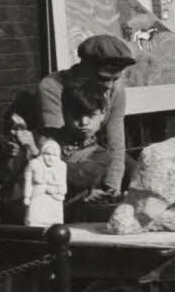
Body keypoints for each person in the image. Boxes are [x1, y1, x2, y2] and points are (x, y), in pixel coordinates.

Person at [38, 34, 134, 199]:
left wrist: (113, 185)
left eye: (115, 79)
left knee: (140, 175)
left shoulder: (115, 88)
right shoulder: (53, 86)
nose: (109, 86)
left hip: (99, 152)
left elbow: (116, 142)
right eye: (103, 78)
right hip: (66, 155)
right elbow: (55, 145)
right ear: (84, 66)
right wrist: (85, 191)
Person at [50, 78, 118, 207]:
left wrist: (36, 153)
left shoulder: (101, 156)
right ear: (64, 113)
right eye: (76, 116)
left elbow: (78, 178)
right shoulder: (46, 138)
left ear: (102, 114)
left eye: (91, 115)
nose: (84, 123)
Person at [24, 140, 68, 227]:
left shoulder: (61, 166)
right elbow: (28, 183)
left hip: (54, 200)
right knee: (33, 222)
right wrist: (26, 197)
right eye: (47, 154)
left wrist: (53, 190)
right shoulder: (34, 164)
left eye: (54, 155)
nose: (50, 158)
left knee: (54, 226)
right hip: (37, 198)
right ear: (42, 153)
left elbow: (63, 188)